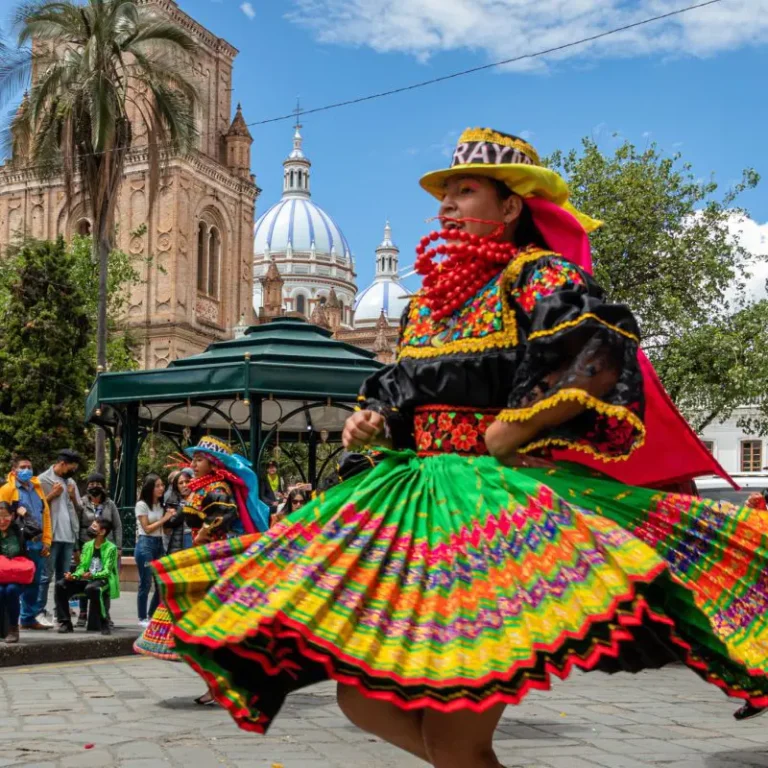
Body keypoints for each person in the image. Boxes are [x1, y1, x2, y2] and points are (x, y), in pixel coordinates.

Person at [155, 128, 768, 765]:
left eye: (464, 191)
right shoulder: (427, 307)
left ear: (510, 208)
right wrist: (371, 418)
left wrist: (520, 424)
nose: (446, 204)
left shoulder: (537, 276)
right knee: (362, 700)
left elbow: (599, 350)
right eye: (443, 193)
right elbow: (399, 388)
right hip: (415, 504)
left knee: (456, 735)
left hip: (490, 513)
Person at [143, 437, 269, 704]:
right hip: (201, 558)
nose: (194, 464)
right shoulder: (201, 488)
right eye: (194, 459)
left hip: (215, 560)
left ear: (213, 464)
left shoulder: (218, 487)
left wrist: (205, 531)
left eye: (199, 459)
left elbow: (225, 514)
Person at [0, 455, 52, 631]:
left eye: (29, 467)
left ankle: (28, 618)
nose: (27, 470)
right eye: (23, 467)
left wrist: (47, 540)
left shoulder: (37, 489)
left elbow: (45, 516)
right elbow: (2, 517)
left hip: (38, 543)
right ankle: (8, 618)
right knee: (14, 584)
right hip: (18, 544)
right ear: (14, 470)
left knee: (35, 582)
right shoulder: (7, 490)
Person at [36, 449, 81, 627]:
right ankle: (38, 612)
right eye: (71, 467)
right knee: (46, 575)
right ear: (62, 464)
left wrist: (71, 495)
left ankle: (60, 612)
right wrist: (51, 495)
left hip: (68, 535)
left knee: (65, 578)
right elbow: (36, 507)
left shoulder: (71, 482)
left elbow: (79, 507)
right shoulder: (42, 480)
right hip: (51, 536)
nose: (73, 471)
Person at [55, 518, 119, 635]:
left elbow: (107, 571)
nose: (90, 528)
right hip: (86, 579)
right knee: (61, 585)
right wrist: (73, 576)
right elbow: (82, 567)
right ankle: (65, 622)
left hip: (102, 580)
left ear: (102, 532)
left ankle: (104, 622)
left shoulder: (111, 548)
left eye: (94, 527)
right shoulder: (87, 546)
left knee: (93, 589)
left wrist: (93, 575)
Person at [75, 473, 122, 628]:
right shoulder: (82, 503)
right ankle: (83, 613)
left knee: (104, 582)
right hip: (87, 547)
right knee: (84, 578)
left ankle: (105, 614)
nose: (94, 486)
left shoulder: (110, 504)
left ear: (103, 486)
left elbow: (117, 526)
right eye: (91, 483)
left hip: (105, 548)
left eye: (98, 483)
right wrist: (77, 547)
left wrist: (119, 547)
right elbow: (76, 525)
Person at [0, 501, 42, 643]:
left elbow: (36, 529)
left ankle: (13, 628)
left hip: (17, 574)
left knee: (11, 590)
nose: (2, 520)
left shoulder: (19, 529)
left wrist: (26, 515)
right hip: (1, 574)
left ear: (12, 515)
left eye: (5, 516)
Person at [134, 474, 172, 628]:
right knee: (146, 582)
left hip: (159, 544)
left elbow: (165, 530)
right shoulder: (142, 505)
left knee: (160, 583)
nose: (161, 488)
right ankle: (142, 618)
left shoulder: (161, 506)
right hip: (145, 544)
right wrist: (164, 519)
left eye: (162, 485)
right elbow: (147, 529)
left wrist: (172, 518)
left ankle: (152, 615)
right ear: (150, 488)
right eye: (157, 485)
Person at [163, 469, 194, 554]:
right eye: (181, 483)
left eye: (187, 481)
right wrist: (184, 504)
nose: (184, 485)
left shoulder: (199, 497)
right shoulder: (171, 501)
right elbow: (170, 522)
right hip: (177, 545)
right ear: (176, 486)